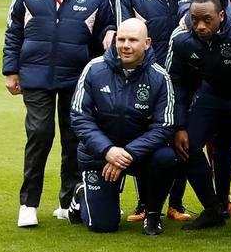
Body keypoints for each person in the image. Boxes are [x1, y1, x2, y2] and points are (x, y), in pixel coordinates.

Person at [4, 0, 114, 227]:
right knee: (40, 134)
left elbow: (107, 27)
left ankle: (68, 201)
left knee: (73, 137)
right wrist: (11, 70)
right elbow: (14, 29)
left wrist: (108, 39)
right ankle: (28, 203)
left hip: (76, 78)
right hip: (35, 73)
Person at [165, 0, 231, 231]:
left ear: (221, 16)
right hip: (212, 93)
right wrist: (179, 125)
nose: (199, 26)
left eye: (207, 20)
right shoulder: (180, 38)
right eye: (194, 19)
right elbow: (174, 83)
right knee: (186, 145)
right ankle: (213, 209)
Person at [68, 18, 180, 236]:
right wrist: (108, 150)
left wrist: (128, 153)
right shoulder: (94, 69)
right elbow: (79, 117)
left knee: (166, 157)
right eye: (121, 39)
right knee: (104, 226)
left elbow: (164, 126)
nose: (125, 45)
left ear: (147, 43)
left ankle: (153, 213)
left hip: (139, 155)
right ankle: (82, 194)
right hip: (99, 156)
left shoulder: (160, 77)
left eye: (132, 40)